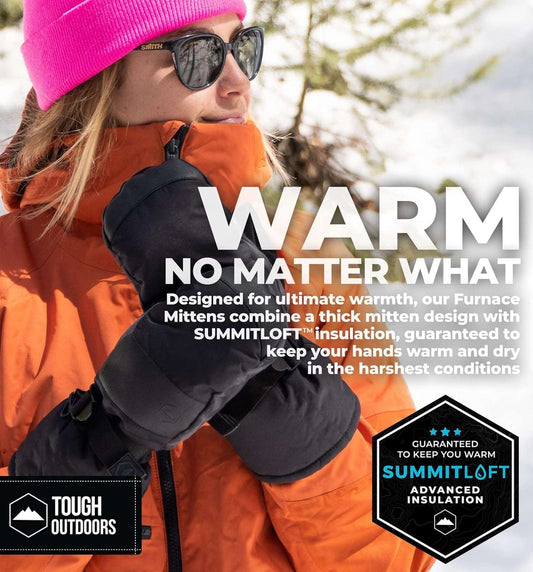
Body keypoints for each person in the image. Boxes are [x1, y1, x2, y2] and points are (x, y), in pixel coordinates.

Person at [0, 0, 434, 570]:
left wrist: (285, 408)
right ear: (94, 79)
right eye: (197, 54)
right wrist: (105, 438)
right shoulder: (9, 284)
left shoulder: (305, 259)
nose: (237, 83)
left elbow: (404, 549)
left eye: (242, 48)